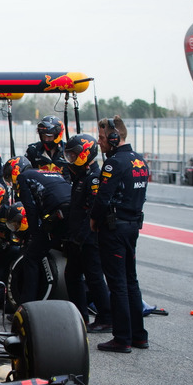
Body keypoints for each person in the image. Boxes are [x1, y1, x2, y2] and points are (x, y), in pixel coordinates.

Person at [90, 116, 149, 353]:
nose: (99, 141)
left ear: (115, 138)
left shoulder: (114, 163)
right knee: (131, 281)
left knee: (117, 285)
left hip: (114, 229)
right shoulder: (140, 161)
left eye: (102, 137)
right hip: (133, 226)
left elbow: (102, 198)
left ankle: (122, 338)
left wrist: (94, 221)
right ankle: (139, 336)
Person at [4, 155, 71, 305]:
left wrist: (35, 234)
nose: (11, 181)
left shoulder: (23, 177)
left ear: (16, 170)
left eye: (9, 176)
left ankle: (28, 304)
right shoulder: (53, 173)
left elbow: (31, 209)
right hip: (75, 215)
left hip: (59, 215)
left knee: (31, 257)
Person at [63, 134, 112, 332]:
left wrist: (81, 238)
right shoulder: (81, 176)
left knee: (94, 278)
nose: (71, 159)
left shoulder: (93, 178)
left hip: (89, 239)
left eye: (74, 155)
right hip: (77, 238)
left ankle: (106, 318)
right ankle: (80, 316)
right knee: (71, 276)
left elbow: (92, 211)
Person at [25, 115, 70, 181]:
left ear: (58, 135)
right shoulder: (33, 150)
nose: (46, 139)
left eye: (49, 136)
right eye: (43, 136)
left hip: (63, 189)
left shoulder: (68, 150)